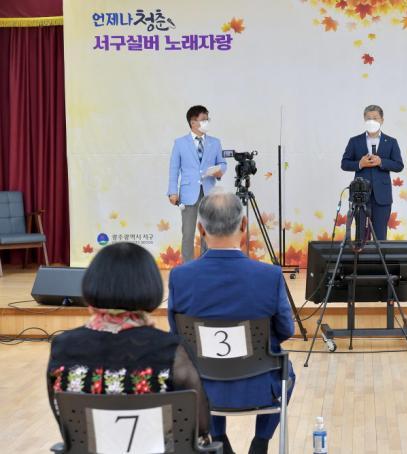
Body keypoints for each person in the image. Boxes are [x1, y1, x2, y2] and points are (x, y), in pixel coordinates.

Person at [167, 191, 295, 454]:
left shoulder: (180, 277)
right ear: (244, 225)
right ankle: (260, 443)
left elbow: (176, 334)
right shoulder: (269, 276)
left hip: (201, 389)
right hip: (260, 385)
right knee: (287, 370)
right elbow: (286, 330)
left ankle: (219, 440)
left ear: (200, 229)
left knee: (198, 361)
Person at [46, 243, 211, 443]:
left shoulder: (62, 346)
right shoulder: (173, 351)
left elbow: (65, 423)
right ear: (150, 286)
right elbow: (201, 425)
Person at [167, 105, 227, 263]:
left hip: (209, 193)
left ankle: (206, 265)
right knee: (187, 233)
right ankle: (187, 267)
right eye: (204, 120)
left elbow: (222, 163)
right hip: (188, 194)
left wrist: (219, 171)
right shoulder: (180, 143)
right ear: (193, 122)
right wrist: (172, 192)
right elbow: (174, 169)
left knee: (207, 232)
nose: (207, 122)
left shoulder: (215, 142)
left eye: (208, 119)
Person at [341, 104, 404, 241]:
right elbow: (344, 164)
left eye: (375, 118)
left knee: (380, 236)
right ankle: (361, 255)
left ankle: (378, 256)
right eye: (368, 118)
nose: (372, 121)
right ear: (364, 120)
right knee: (361, 237)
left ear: (382, 120)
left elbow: (399, 165)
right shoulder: (354, 141)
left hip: (382, 196)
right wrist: (360, 164)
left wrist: (381, 162)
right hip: (360, 195)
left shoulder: (391, 142)